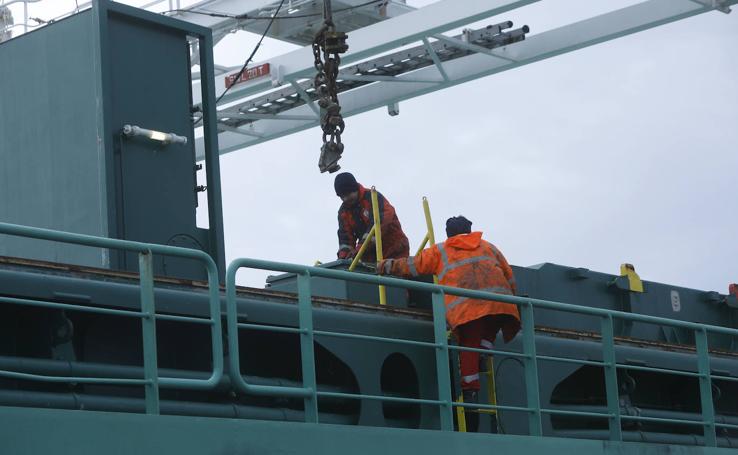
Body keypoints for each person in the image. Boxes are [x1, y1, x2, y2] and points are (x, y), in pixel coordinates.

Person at [378, 215, 520, 431]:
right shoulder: (490, 248)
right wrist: (513, 301)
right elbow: (509, 276)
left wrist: (386, 266)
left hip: (468, 309)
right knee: (491, 327)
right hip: (500, 305)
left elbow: (413, 266)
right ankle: (485, 350)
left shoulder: (441, 250)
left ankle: (470, 392)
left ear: (449, 234)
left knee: (468, 345)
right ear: (469, 230)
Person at [334, 172, 409, 262]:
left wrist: (360, 249)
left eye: (348, 194)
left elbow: (381, 223)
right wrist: (343, 260)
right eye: (342, 196)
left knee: (393, 272)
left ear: (355, 189)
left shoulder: (373, 198)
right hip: (370, 258)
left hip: (394, 251)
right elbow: (345, 238)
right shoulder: (344, 212)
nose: (345, 199)